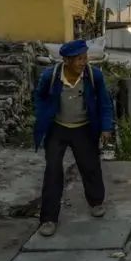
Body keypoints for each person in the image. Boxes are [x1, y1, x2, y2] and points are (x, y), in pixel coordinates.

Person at [34, 39, 115, 236]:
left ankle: (96, 202)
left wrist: (106, 128)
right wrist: (43, 116)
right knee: (53, 171)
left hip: (83, 128)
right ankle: (48, 219)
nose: (83, 63)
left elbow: (105, 103)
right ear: (67, 61)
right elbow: (39, 96)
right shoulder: (50, 76)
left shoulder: (93, 76)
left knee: (90, 166)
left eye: (85, 58)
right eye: (79, 59)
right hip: (57, 129)